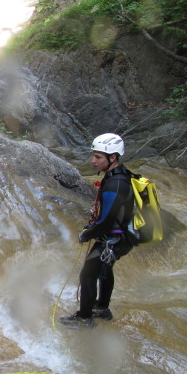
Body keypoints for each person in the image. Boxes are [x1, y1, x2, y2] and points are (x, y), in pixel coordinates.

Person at [59, 133, 135, 328]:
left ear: (113, 158)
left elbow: (108, 221)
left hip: (114, 238)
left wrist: (87, 234)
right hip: (120, 237)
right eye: (93, 156)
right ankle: (102, 307)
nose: (93, 161)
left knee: (88, 275)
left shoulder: (116, 184)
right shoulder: (118, 176)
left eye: (98, 157)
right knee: (104, 270)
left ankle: (85, 318)